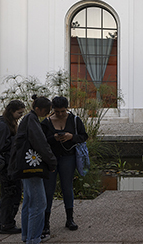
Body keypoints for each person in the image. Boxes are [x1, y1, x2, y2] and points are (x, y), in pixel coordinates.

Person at [9, 95, 57, 244]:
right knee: (39, 204)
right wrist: (52, 161)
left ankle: (27, 237)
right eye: (46, 110)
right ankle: (33, 239)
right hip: (32, 167)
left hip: (24, 166)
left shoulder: (28, 119)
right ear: (37, 109)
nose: (47, 113)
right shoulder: (31, 119)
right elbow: (40, 143)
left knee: (29, 203)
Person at [41, 96, 88, 233]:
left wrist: (71, 137)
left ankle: (70, 219)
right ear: (52, 110)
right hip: (51, 159)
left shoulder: (74, 120)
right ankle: (46, 222)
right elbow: (42, 141)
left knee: (67, 188)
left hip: (69, 157)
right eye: (57, 112)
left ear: (67, 108)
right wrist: (54, 138)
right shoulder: (46, 123)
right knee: (48, 190)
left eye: (63, 111)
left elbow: (84, 136)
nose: (60, 114)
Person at [0, 100, 25, 234]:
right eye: (19, 113)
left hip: (10, 164)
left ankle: (3, 223)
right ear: (12, 111)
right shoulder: (2, 125)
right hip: (7, 166)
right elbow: (1, 146)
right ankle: (7, 224)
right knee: (11, 195)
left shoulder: (7, 124)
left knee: (9, 195)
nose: (20, 115)